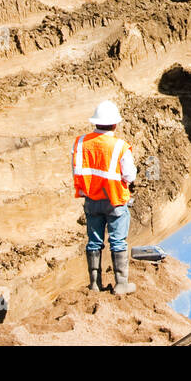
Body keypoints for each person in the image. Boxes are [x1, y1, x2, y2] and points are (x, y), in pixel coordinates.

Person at [72, 100, 138, 295]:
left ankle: (94, 284)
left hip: (91, 199)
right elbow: (129, 175)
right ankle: (121, 284)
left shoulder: (81, 142)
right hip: (114, 200)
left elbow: (76, 169)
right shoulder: (119, 146)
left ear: (95, 123)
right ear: (115, 124)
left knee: (94, 241)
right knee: (118, 241)